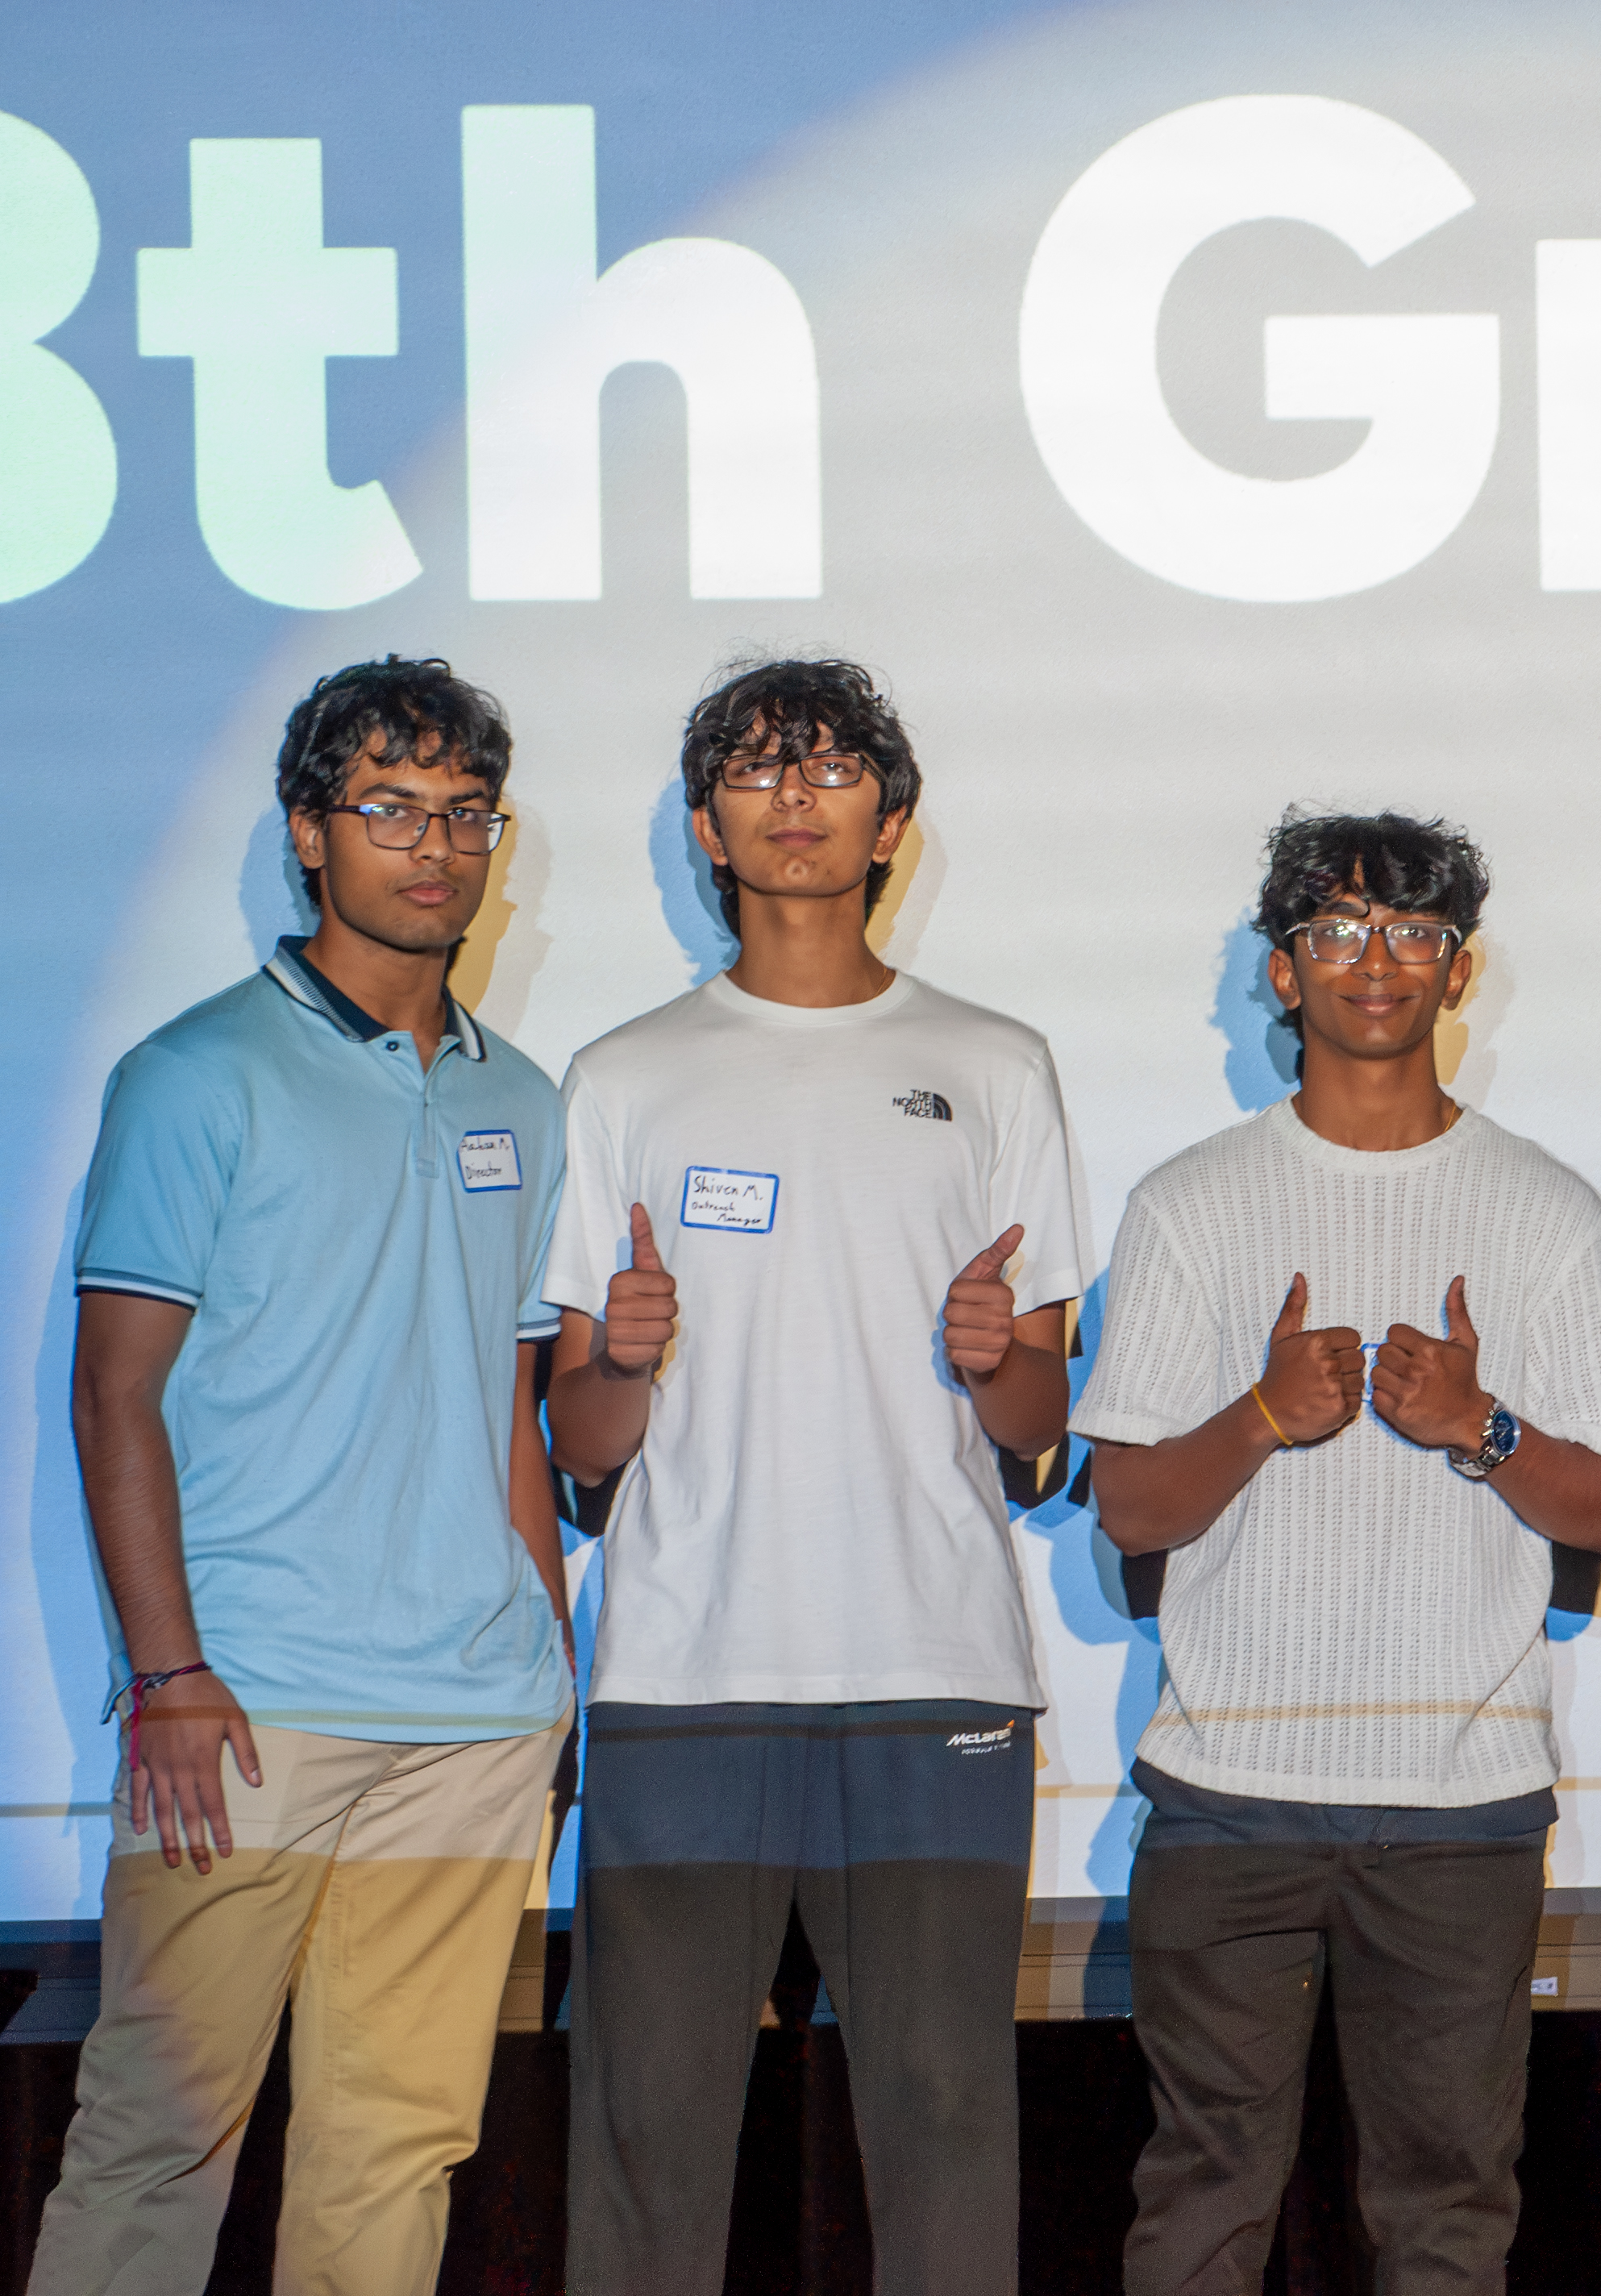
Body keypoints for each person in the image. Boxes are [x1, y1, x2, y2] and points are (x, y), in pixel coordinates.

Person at [545, 659, 1090, 2296]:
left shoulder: (994, 1062)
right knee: (646, 2147)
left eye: (835, 767)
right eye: (760, 771)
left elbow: (1043, 1421)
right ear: (707, 823)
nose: (797, 795)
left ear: (892, 819)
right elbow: (578, 1440)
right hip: (682, 1683)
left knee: (943, 2141)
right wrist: (621, 1357)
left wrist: (1001, 1351)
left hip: (932, 1683)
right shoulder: (623, 1074)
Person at [31, 658, 574, 2296]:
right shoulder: (194, 1072)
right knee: (154, 2143)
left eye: (466, 813)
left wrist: (553, 1674)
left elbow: (510, 1410)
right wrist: (171, 1671)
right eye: (391, 807)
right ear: (307, 834)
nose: (435, 846)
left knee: (396, 2153)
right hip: (246, 1709)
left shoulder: (523, 1099)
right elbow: (113, 1395)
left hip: (475, 1719)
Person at [1071, 810, 1601, 2296]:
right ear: (1283, 974)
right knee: (1202, 2204)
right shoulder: (1188, 1204)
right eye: (1338, 931)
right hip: (1230, 1799)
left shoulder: (1548, 1211)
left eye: (1412, 933)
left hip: (1460, 1809)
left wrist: (1483, 1426)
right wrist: (1266, 1413)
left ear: (1459, 973)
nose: (1375, 962)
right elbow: (1129, 1508)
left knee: (1449, 2215)